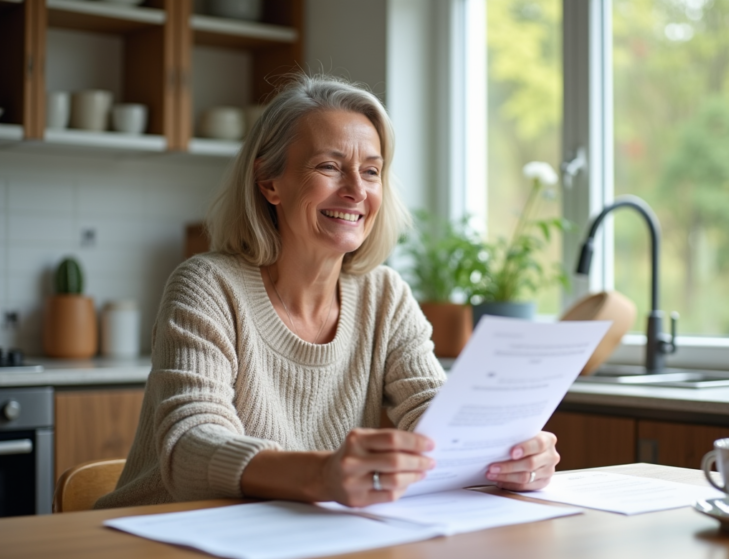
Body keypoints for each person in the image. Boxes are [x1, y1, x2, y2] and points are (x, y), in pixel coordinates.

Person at [95, 74, 560, 510]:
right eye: (329, 167)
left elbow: (434, 416)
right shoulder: (208, 286)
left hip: (292, 536)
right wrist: (323, 474)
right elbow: (189, 446)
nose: (356, 190)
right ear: (269, 182)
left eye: (371, 171)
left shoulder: (385, 296)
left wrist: (509, 452)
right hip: (159, 535)